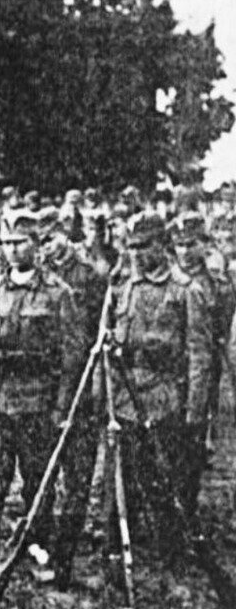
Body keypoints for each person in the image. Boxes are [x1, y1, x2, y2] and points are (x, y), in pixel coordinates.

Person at [0, 210, 84, 583]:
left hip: (35, 401)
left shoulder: (58, 293)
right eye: (7, 243)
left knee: (37, 481)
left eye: (20, 242)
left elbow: (71, 357)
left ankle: (37, 549)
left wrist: (61, 409)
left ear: (37, 245)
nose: (12, 250)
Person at [108, 212, 212, 553]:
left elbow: (199, 355)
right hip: (126, 396)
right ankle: (123, 539)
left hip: (165, 397)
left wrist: (195, 412)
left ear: (161, 245)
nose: (137, 253)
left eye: (144, 246)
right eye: (132, 247)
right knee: (125, 474)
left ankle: (172, 546)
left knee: (165, 477)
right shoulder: (126, 287)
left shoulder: (186, 290)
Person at [38, 211, 108, 588]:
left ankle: (65, 555)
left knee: (77, 478)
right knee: (41, 473)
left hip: (79, 386)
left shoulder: (90, 276)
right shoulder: (38, 275)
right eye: (41, 241)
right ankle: (42, 545)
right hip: (42, 387)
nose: (47, 247)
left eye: (52, 238)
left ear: (65, 235)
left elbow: (95, 335)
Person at [168, 212, 232, 514]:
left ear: (203, 245)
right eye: (179, 245)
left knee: (193, 432)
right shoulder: (169, 279)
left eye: (190, 244)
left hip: (201, 363)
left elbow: (222, 326)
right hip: (170, 369)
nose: (184, 251)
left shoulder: (217, 283)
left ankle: (187, 503)